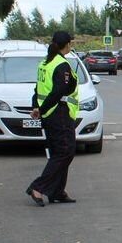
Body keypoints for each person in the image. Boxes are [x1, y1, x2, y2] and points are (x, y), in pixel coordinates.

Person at [26, 31, 80, 206]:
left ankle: (57, 191)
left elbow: (38, 88)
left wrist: (37, 107)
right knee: (66, 151)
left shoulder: (45, 63)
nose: (71, 46)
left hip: (50, 114)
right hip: (59, 113)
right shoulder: (60, 64)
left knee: (59, 152)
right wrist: (41, 109)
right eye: (70, 43)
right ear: (66, 45)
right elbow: (57, 92)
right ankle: (38, 187)